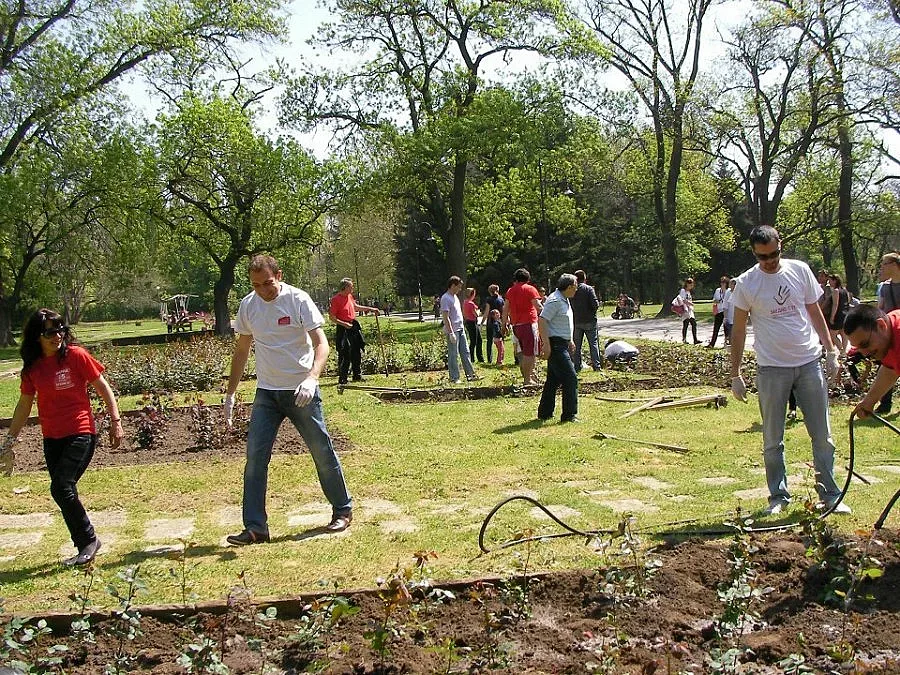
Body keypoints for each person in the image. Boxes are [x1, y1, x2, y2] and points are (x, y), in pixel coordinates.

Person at [223, 255, 353, 544]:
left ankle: (342, 510)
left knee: (321, 451)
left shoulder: (298, 300)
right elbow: (241, 351)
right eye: (256, 285)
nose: (263, 291)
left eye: (268, 283)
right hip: (267, 393)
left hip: (301, 391)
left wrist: (312, 378)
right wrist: (231, 393)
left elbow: (322, 344)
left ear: (278, 276)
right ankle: (256, 527)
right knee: (255, 458)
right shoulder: (249, 305)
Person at [730, 226, 846, 516]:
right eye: (763, 256)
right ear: (754, 253)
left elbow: (814, 311)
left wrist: (830, 349)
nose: (770, 260)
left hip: (808, 362)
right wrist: (735, 373)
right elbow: (739, 329)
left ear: (780, 244)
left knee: (822, 434)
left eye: (774, 253)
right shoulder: (747, 283)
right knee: (773, 438)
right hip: (771, 368)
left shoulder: (800, 270)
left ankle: (830, 494)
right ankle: (778, 496)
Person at [0, 309, 124, 566]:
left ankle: (88, 541)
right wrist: (9, 442)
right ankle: (86, 542)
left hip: (80, 432)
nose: (57, 336)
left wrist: (116, 422)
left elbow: (104, 388)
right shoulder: (33, 368)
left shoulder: (76, 356)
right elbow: (24, 404)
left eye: (60, 330)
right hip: (52, 438)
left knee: (60, 487)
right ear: (37, 336)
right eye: (49, 332)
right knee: (63, 490)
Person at [537, 274, 579, 423]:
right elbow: (542, 320)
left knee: (553, 380)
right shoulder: (554, 300)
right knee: (570, 378)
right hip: (555, 345)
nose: (576, 289)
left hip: (562, 343)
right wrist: (546, 344)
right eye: (575, 286)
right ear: (568, 287)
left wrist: (570, 340)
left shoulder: (564, 300)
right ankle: (569, 415)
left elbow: (563, 323)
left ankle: (545, 412)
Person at [844, 304, 899, 418]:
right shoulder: (889, 332)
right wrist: (869, 401)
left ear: (881, 325)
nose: (864, 353)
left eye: (865, 344)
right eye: (858, 348)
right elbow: (890, 369)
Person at [329, 278, 379, 385]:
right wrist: (344, 324)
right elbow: (332, 317)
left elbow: (356, 307)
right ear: (345, 287)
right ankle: (343, 378)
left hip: (353, 325)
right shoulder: (335, 299)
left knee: (356, 350)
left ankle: (357, 375)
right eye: (351, 287)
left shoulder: (350, 297)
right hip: (343, 327)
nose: (352, 288)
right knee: (345, 353)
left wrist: (371, 309)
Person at [501, 269, 544, 385]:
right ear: (528, 279)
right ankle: (527, 379)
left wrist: (503, 324)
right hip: (529, 324)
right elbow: (538, 306)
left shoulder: (510, 291)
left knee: (525, 353)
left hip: (516, 326)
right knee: (530, 353)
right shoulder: (530, 289)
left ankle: (530, 376)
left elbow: (505, 309)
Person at [440, 276, 478, 384]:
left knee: (465, 352)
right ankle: (454, 377)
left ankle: (470, 375)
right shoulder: (445, 298)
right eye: (458, 287)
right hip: (453, 330)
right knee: (453, 354)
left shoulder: (455, 297)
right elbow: (446, 317)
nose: (460, 289)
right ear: (453, 285)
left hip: (460, 329)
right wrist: (451, 332)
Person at [571, 270, 601, 372]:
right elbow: (595, 304)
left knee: (577, 345)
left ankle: (577, 366)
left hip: (576, 321)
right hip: (590, 321)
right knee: (593, 344)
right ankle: (596, 366)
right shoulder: (589, 289)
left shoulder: (572, 290)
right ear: (585, 279)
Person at [826, 274, 850, 356]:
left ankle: (841, 349)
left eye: (830, 281)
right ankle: (844, 351)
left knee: (832, 334)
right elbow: (848, 302)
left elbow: (835, 305)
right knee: (844, 334)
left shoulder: (836, 291)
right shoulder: (845, 290)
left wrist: (832, 317)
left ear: (835, 281)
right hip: (845, 313)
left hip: (838, 314)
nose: (829, 283)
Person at [482, 284, 505, 364]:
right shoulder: (501, 299)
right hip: (499, 322)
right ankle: (501, 359)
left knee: (489, 341)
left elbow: (487, 311)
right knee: (501, 340)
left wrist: (482, 322)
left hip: (490, 322)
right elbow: (503, 311)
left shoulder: (489, 299)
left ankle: (489, 359)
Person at [462, 287, 484, 364]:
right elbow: (476, 314)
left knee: (477, 340)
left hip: (468, 321)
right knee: (475, 341)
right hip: (472, 322)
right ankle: (473, 358)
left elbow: (464, 313)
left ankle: (478, 358)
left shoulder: (465, 302)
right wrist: (479, 313)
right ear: (472, 294)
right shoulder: (471, 303)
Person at [708, 276, 730, 348]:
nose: (722, 284)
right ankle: (712, 344)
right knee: (716, 328)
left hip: (726, 311)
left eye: (724, 283)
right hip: (719, 311)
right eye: (721, 282)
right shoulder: (718, 290)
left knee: (726, 328)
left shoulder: (729, 291)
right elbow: (714, 300)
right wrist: (717, 301)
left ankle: (726, 343)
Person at [678, 278, 701, 344]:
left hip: (690, 310)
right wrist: (689, 303)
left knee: (694, 324)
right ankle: (684, 339)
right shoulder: (683, 291)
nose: (691, 286)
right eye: (690, 284)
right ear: (687, 284)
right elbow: (682, 300)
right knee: (686, 324)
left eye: (692, 285)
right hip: (685, 310)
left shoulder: (688, 292)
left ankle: (695, 339)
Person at [723, 278, 736, 346]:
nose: (730, 286)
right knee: (731, 333)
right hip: (730, 317)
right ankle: (732, 346)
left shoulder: (739, 292)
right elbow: (725, 306)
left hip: (738, 317)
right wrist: (725, 317)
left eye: (731, 284)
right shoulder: (728, 292)